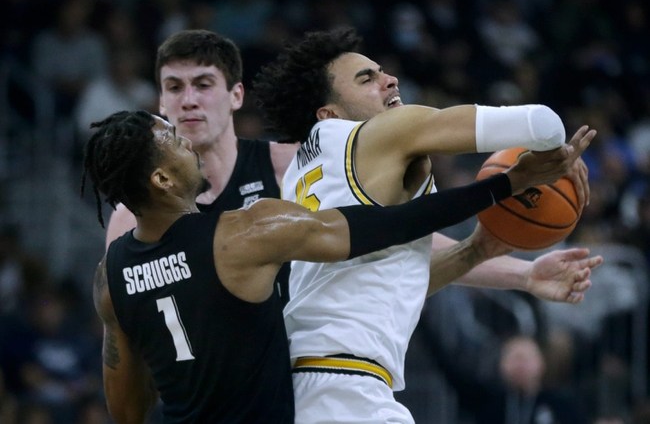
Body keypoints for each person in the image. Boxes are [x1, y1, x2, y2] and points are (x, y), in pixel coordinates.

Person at [81, 109, 580, 423]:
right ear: (163, 179)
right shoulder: (242, 234)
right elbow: (387, 226)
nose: (186, 141)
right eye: (172, 140)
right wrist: (505, 186)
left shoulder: (110, 278)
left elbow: (126, 408)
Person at [252, 26, 600, 422]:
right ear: (329, 113)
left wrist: (477, 249)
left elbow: (394, 278)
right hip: (345, 388)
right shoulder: (382, 132)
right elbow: (542, 123)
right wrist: (559, 155)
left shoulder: (300, 175)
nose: (389, 79)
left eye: (382, 71)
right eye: (367, 78)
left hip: (310, 384)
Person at [104, 29, 297, 304]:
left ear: (236, 95)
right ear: (161, 102)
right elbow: (122, 326)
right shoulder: (132, 216)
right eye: (174, 87)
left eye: (203, 85)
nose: (188, 100)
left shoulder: (288, 168)